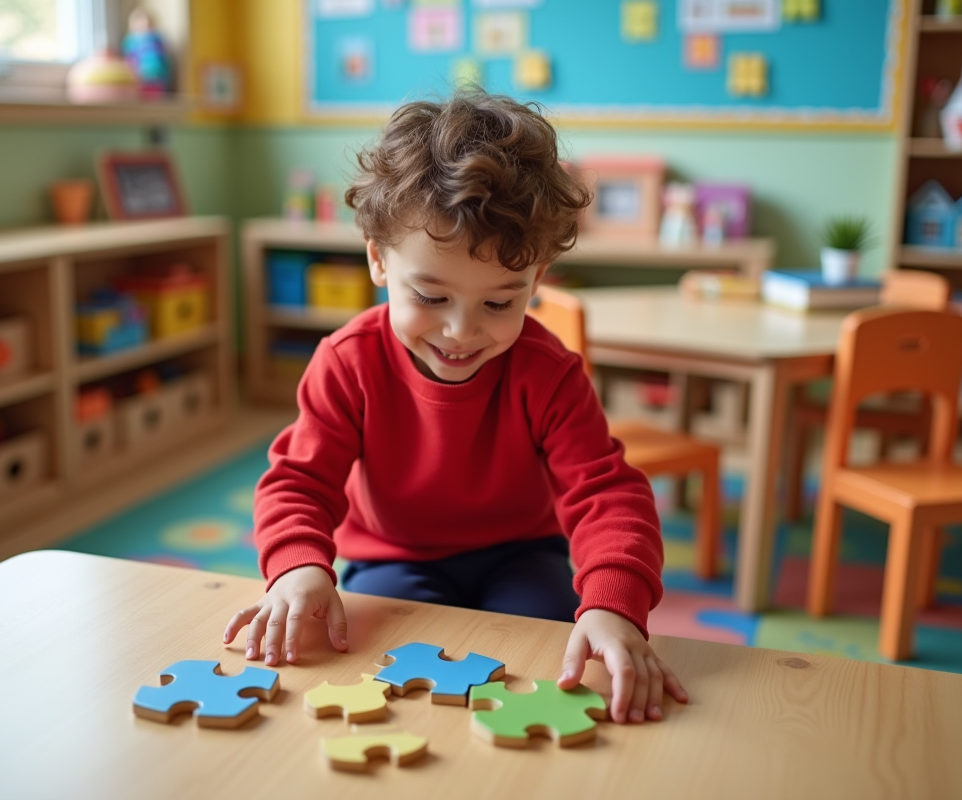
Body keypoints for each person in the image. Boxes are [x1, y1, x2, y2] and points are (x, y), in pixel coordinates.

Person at [224, 90, 689, 724]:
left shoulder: (549, 372)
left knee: (555, 659)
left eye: (500, 303)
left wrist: (614, 603)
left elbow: (608, 492)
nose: (461, 332)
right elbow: (299, 481)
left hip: (521, 554)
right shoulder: (348, 360)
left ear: (538, 276)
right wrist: (297, 568)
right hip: (394, 557)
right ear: (378, 259)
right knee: (375, 670)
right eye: (432, 297)